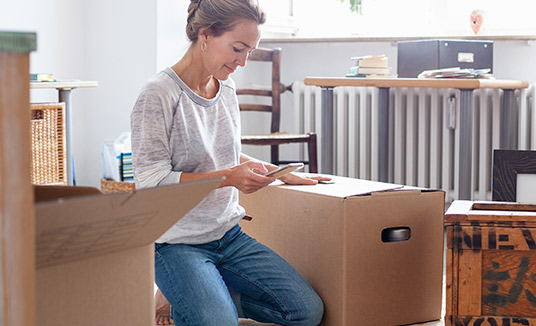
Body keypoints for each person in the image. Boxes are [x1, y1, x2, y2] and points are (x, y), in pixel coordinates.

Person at [131, 0, 329, 325]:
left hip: (228, 235)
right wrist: (228, 178)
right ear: (206, 35)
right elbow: (150, 184)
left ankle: (208, 298)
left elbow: (224, 154)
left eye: (250, 50)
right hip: (175, 244)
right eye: (238, 48)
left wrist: (276, 174)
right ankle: (191, 296)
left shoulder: (225, 88)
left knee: (306, 311)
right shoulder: (158, 95)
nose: (243, 61)